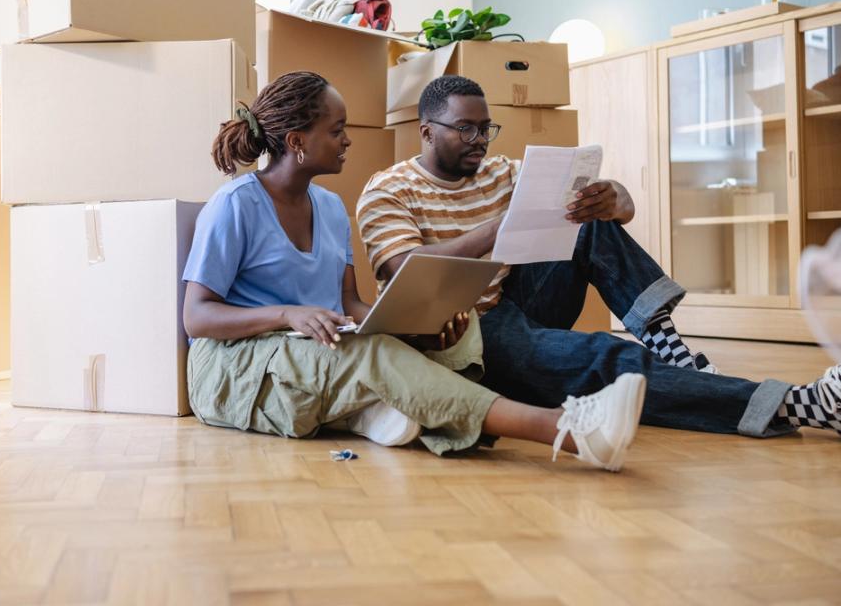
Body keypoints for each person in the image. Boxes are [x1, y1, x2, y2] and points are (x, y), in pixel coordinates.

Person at [181, 70, 648, 471]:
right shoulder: (234, 205)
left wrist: (411, 329)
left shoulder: (330, 207)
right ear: (297, 142)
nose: (347, 140)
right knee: (369, 358)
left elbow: (350, 306)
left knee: (442, 339)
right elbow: (197, 319)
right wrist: (287, 314)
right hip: (234, 364)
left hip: (312, 346)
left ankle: (381, 411)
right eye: (337, 130)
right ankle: (564, 429)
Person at [357, 74, 841, 440]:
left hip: (512, 302)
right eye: (466, 129)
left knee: (582, 213)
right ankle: (802, 404)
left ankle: (669, 346)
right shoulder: (388, 190)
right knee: (606, 355)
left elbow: (621, 210)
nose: (481, 141)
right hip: (461, 333)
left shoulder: (501, 170)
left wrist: (614, 199)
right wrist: (496, 229)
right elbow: (408, 269)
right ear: (426, 131)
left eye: (487, 129)